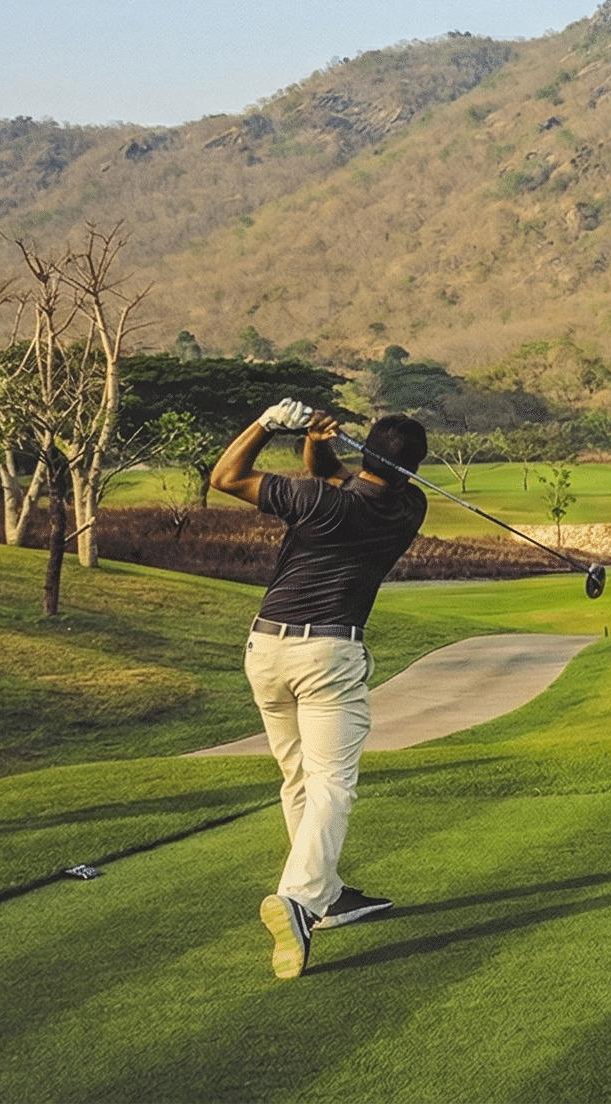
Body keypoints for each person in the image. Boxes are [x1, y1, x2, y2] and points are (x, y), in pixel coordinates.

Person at [209, 400, 430, 979]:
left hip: (266, 649)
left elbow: (225, 477)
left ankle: (324, 896)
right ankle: (300, 899)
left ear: (367, 453)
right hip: (330, 653)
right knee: (332, 781)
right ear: (412, 469)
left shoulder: (316, 502)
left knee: (300, 776)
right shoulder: (410, 507)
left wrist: (264, 424)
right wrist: (316, 439)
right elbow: (330, 474)